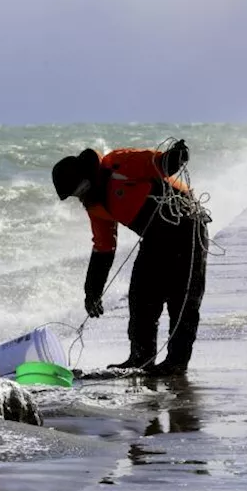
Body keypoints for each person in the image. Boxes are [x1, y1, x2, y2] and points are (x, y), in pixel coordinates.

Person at [51, 140, 210, 376]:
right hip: (154, 239)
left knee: (182, 300)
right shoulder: (94, 206)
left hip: (186, 227)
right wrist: (92, 291)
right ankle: (141, 359)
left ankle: (176, 362)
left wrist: (175, 156)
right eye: (76, 195)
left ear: (88, 175)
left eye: (82, 188)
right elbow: (103, 248)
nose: (81, 196)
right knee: (141, 297)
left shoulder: (119, 163)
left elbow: (158, 162)